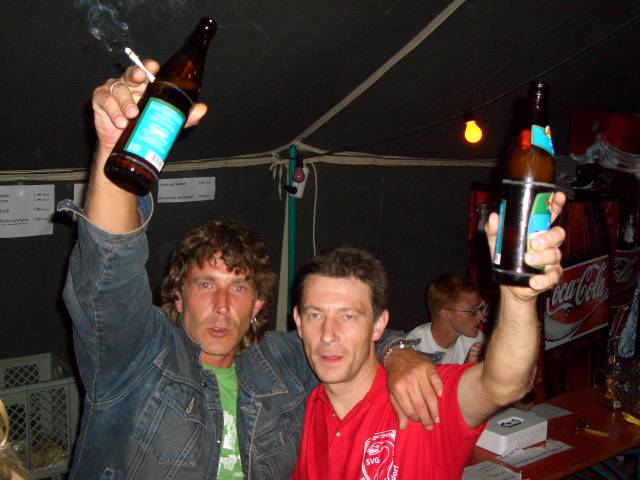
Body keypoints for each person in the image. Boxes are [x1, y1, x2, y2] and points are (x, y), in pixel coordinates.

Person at [58, 61, 442, 479]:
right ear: (177, 295)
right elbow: (110, 273)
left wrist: (398, 353)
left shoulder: (283, 361)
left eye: (239, 288)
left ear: (259, 304)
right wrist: (115, 149)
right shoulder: (138, 356)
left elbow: (356, 340)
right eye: (206, 284)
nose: (223, 306)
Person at [291, 202, 565, 479]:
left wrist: (518, 297)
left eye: (348, 316)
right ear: (299, 323)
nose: (328, 334)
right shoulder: (306, 411)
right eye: (315, 315)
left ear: (378, 325)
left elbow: (505, 383)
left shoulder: (421, 394)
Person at [407, 274, 488, 364]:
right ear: (445, 314)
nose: (481, 317)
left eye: (480, 309)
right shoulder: (415, 347)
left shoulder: (477, 341)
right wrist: (467, 368)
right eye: (473, 311)